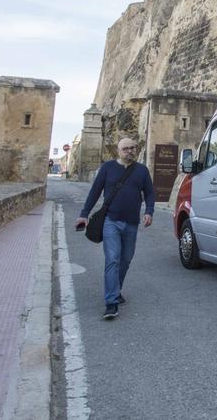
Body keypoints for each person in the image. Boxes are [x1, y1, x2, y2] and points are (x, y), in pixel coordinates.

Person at [76, 137, 156, 320]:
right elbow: (95, 191)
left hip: (132, 223)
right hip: (110, 221)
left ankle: (116, 289)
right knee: (112, 259)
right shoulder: (107, 168)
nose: (130, 151)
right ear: (118, 151)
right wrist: (84, 213)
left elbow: (150, 193)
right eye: (126, 148)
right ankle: (111, 302)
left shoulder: (142, 171)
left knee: (126, 259)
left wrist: (149, 211)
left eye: (133, 148)